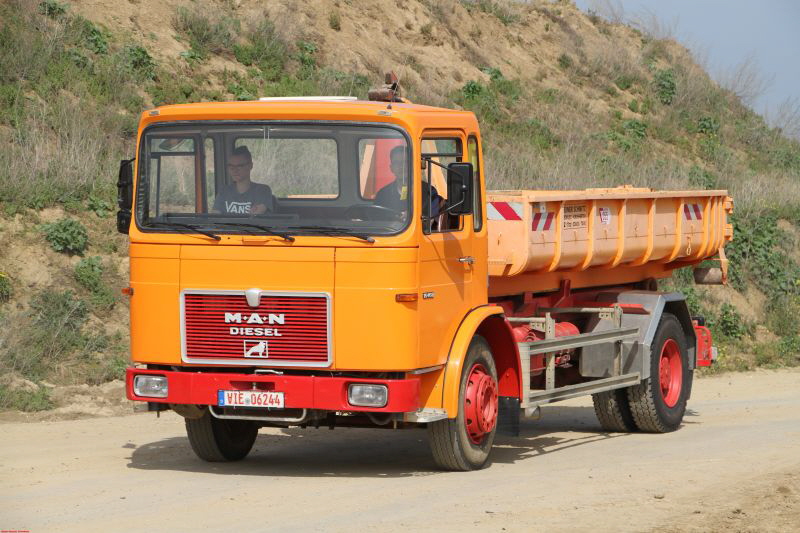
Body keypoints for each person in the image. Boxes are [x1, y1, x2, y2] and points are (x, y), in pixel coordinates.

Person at [375, 145, 442, 218]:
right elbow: (377, 220)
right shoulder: (382, 194)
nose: (401, 166)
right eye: (397, 163)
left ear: (413, 165)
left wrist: (413, 217)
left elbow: (433, 221)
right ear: (392, 168)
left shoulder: (429, 192)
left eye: (405, 162)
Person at [212, 146, 274, 215]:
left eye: (239, 166)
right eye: (231, 166)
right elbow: (215, 219)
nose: (234, 170)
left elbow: (256, 217)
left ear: (250, 165)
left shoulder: (262, 190)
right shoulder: (223, 192)